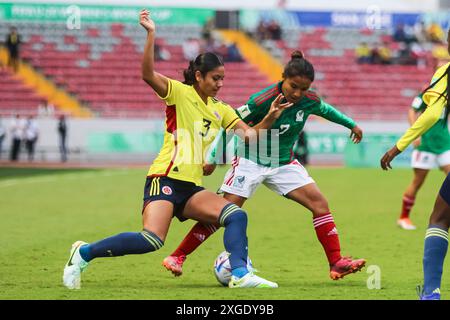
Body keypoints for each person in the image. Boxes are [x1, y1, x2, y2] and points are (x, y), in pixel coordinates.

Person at [62, 9, 293, 290]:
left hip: (191, 187)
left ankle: (241, 274)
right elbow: (147, 73)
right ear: (198, 76)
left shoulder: (221, 109)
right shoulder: (178, 93)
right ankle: (83, 253)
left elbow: (249, 136)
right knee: (151, 240)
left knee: (235, 215)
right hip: (165, 179)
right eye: (215, 78)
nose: (220, 84)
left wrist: (270, 116)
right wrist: (151, 34)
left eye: (222, 79)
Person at [162, 51, 366, 281]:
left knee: (319, 204)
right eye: (293, 86)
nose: (298, 93)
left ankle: (336, 263)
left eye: (304, 88)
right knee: (224, 212)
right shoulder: (261, 100)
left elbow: (327, 110)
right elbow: (231, 122)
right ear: (283, 78)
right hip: (250, 160)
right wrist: (215, 156)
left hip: (283, 162)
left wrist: (351, 125)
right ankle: (177, 256)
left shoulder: (310, 100)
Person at [380, 28, 450, 300]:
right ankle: (403, 215)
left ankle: (431, 292)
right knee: (418, 182)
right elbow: (416, 108)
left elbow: (431, 113)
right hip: (433, 145)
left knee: (440, 218)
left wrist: (400, 145)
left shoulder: (445, 73)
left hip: (438, 143)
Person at [397, 90, 450, 230]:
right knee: (418, 181)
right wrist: (416, 134)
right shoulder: (426, 94)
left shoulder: (447, 94)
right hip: (426, 145)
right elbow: (412, 111)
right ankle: (403, 217)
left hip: (444, 145)